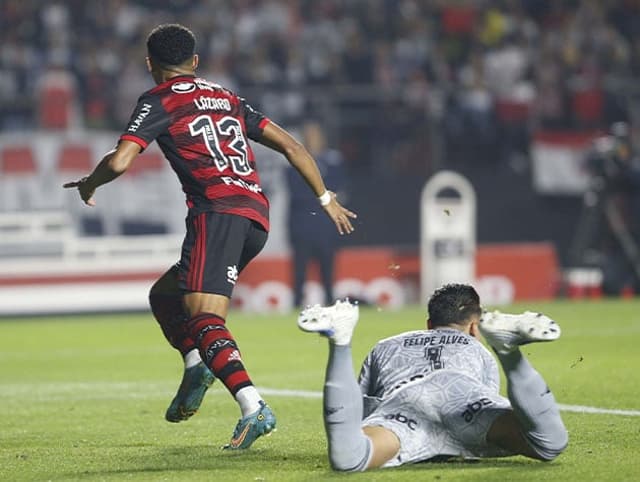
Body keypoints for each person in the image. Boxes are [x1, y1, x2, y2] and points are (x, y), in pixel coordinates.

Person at [63, 23, 357, 450]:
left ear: (150, 65)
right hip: (255, 216)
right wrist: (325, 196)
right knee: (166, 296)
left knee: (204, 319)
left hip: (216, 214)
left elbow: (123, 160)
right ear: (195, 62)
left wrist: (91, 183)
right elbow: (293, 146)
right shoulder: (227, 98)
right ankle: (196, 364)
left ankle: (253, 407)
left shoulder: (158, 99)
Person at [297, 283, 568, 471]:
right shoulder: (478, 350)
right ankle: (509, 353)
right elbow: (492, 408)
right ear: (475, 327)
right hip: (462, 398)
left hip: (405, 404)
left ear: (428, 325)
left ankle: (340, 341)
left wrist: (383, 431)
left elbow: (358, 413)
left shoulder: (386, 345)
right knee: (548, 443)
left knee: (349, 458)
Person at [286, 120, 347, 307]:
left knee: (328, 272)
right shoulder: (293, 163)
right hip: (303, 226)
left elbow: (340, 187)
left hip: (325, 226)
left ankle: (330, 305)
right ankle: (297, 306)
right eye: (310, 135)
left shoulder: (333, 161)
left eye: (316, 135)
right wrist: (324, 197)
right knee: (299, 274)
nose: (313, 139)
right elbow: (296, 192)